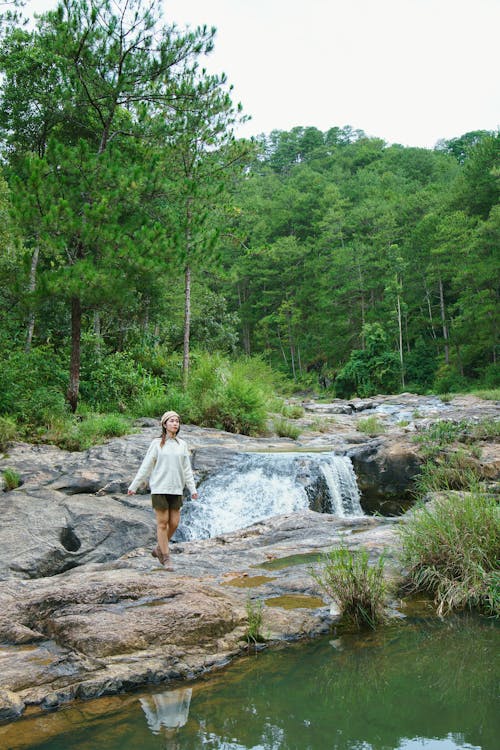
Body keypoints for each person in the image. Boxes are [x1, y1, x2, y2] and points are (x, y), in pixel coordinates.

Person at [128, 411, 198, 569]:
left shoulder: (182, 444)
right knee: (162, 523)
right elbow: (146, 466)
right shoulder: (156, 443)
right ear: (164, 424)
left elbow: (187, 469)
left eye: (177, 421)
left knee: (174, 522)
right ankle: (166, 558)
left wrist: (192, 489)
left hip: (177, 489)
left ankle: (159, 548)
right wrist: (134, 486)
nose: (175, 424)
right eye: (172, 421)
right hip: (160, 488)